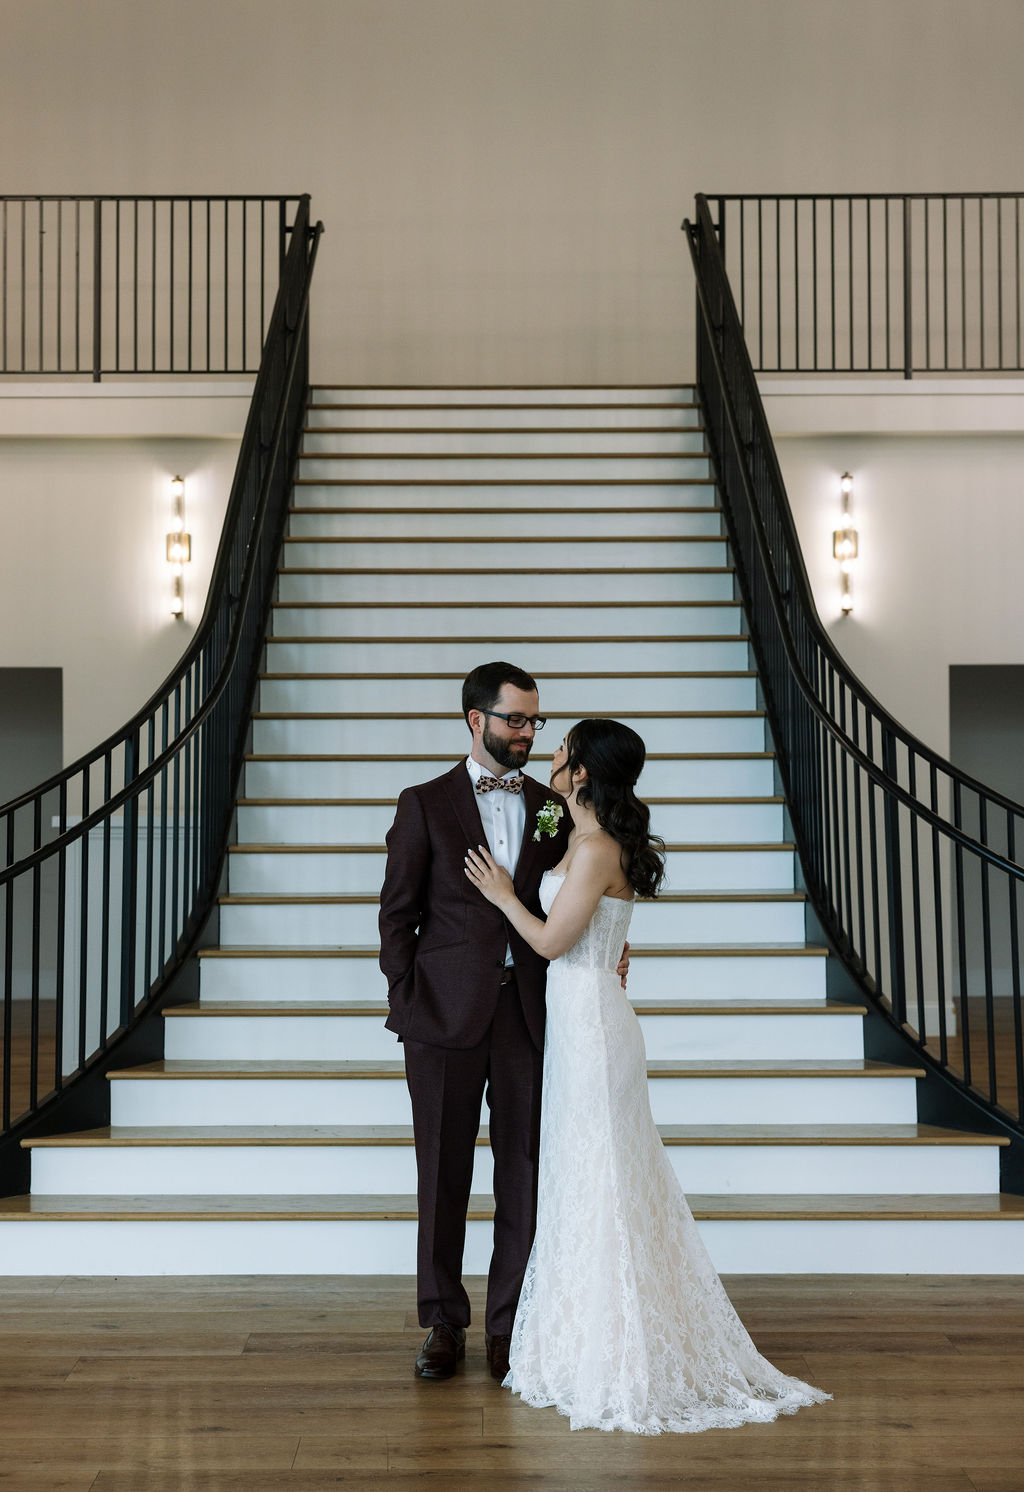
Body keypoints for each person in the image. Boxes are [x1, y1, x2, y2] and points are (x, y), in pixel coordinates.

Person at [464, 718, 831, 1433]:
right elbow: (550, 833)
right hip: (581, 1015)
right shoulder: (572, 823)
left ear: (585, 771)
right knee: (585, 1173)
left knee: (604, 1176)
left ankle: (617, 1349)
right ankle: (588, 1329)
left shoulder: (598, 847)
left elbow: (548, 939)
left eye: (564, 750)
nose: (552, 754)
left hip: (593, 1023)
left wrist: (503, 893)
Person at [378, 663, 628, 1383]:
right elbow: (398, 914)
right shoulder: (424, 803)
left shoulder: (553, 808)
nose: (526, 733)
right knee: (443, 1175)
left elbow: (577, 886)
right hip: (442, 1019)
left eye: (534, 723)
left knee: (522, 1173)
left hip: (531, 1016)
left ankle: (512, 1329)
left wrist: (614, 939)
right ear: (474, 720)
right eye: (515, 720)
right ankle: (442, 1325)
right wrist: (408, 1001)